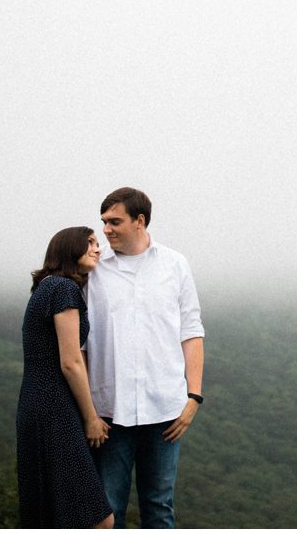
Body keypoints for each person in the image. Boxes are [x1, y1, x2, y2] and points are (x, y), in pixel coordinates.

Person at [86, 187, 205, 528]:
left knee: (159, 507)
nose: (106, 229)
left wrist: (194, 397)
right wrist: (87, 411)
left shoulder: (175, 264)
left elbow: (191, 331)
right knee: (108, 511)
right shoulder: (93, 269)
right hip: (109, 413)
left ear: (139, 221)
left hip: (165, 410)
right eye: (104, 222)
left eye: (115, 222)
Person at [17, 226, 115, 529]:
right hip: (55, 409)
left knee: (53, 516)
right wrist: (91, 418)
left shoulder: (47, 287)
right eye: (90, 243)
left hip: (37, 405)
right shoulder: (63, 289)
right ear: (70, 248)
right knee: (100, 521)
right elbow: (71, 362)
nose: (98, 248)